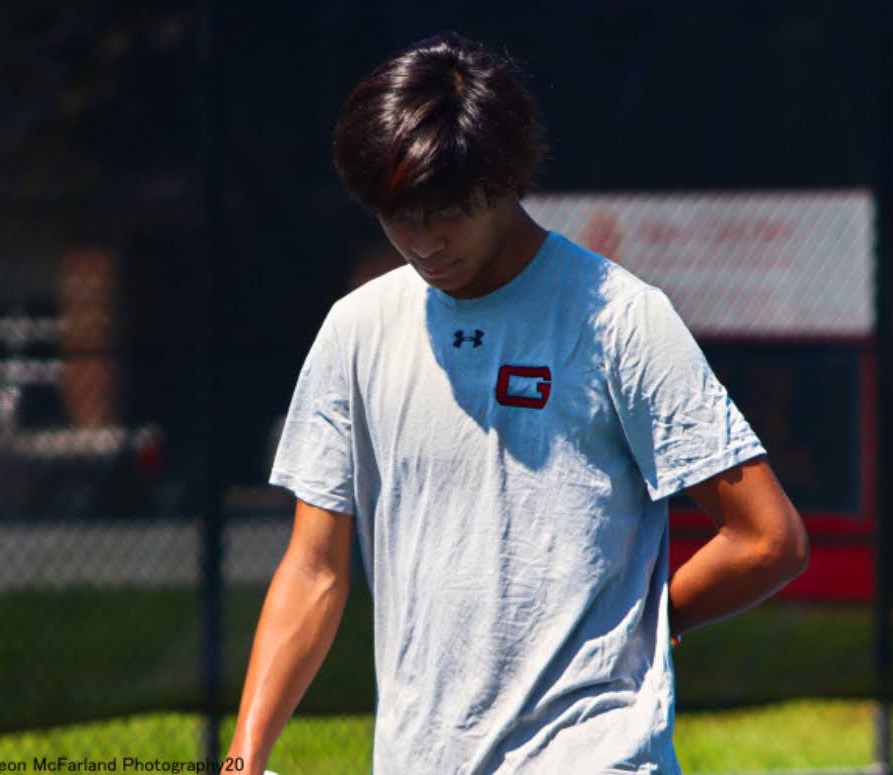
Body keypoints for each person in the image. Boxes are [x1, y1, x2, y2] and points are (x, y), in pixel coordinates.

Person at [224, 32, 808, 775]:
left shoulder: (618, 318)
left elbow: (767, 536)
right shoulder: (357, 330)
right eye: (399, 215)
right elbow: (313, 570)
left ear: (505, 180)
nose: (424, 241)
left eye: (450, 212)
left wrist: (646, 623)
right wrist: (242, 761)